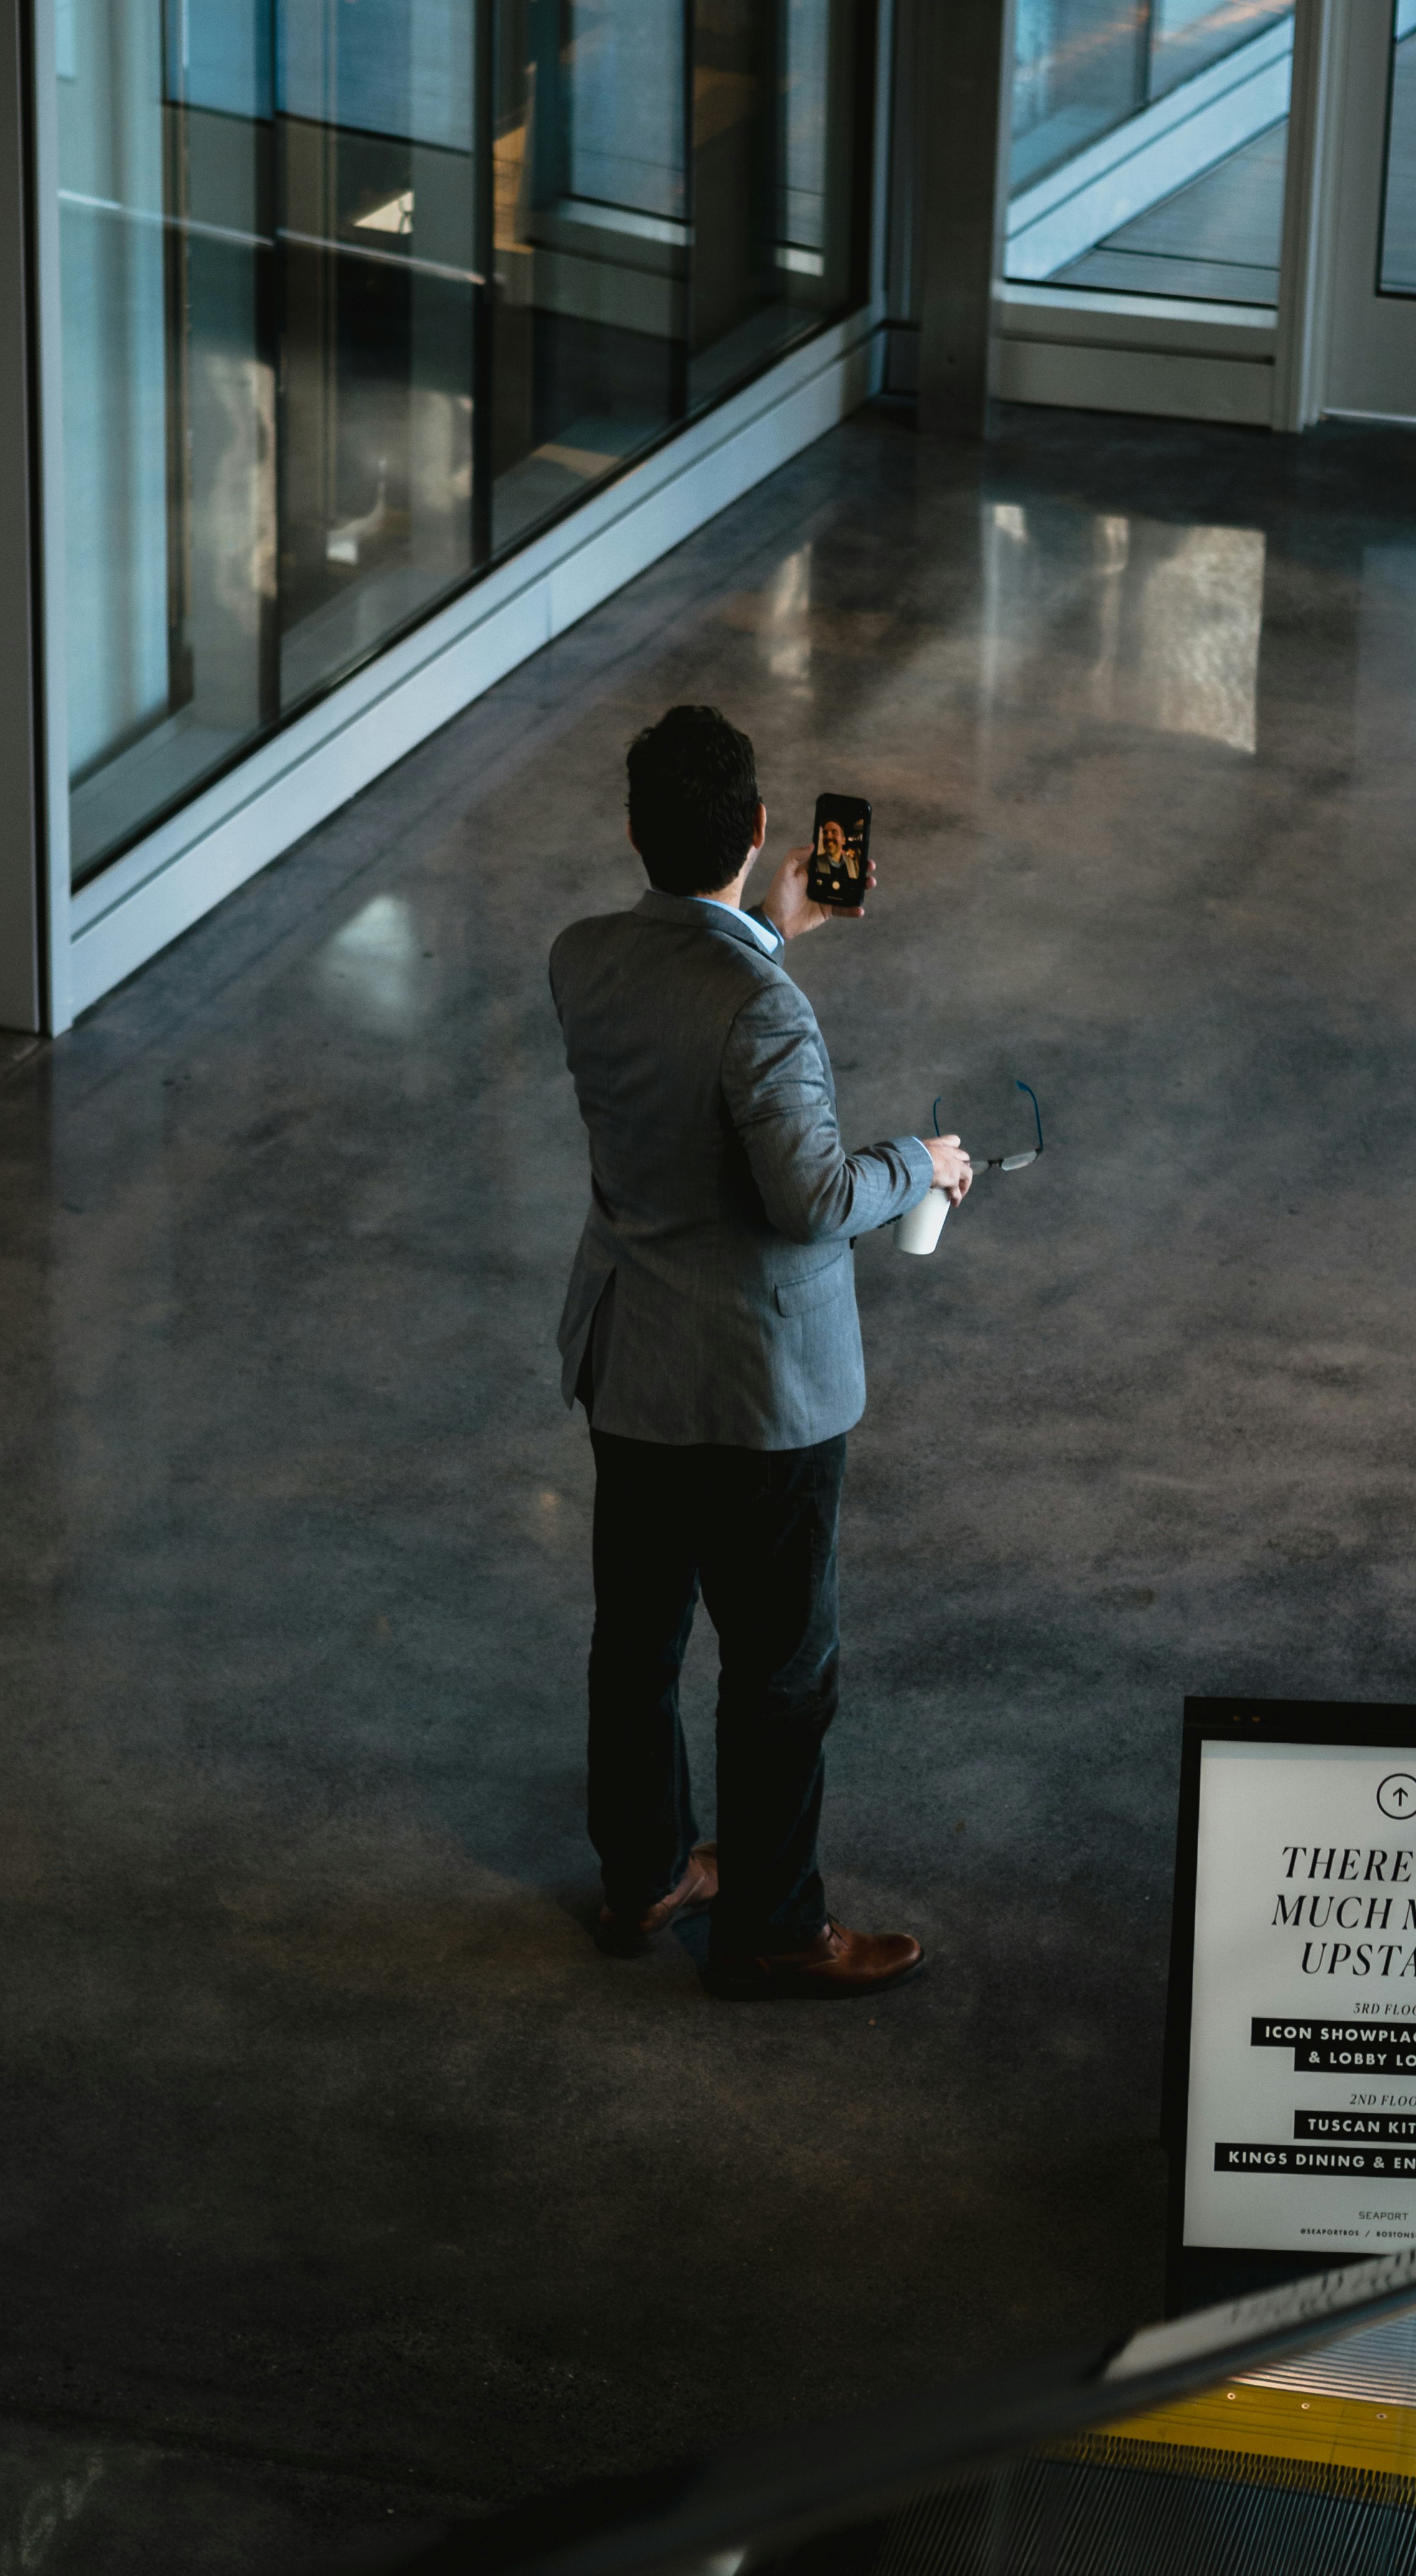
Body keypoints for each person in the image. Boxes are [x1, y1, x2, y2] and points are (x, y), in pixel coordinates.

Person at [549, 706, 973, 2000]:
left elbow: (690, 1019)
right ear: (756, 828)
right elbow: (809, 1196)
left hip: (633, 1363)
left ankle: (645, 1873)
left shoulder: (584, 958)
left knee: (637, 1638)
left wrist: (768, 925)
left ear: (632, 831)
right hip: (758, 1394)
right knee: (781, 1668)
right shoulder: (765, 1012)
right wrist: (923, 1162)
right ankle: (778, 1927)